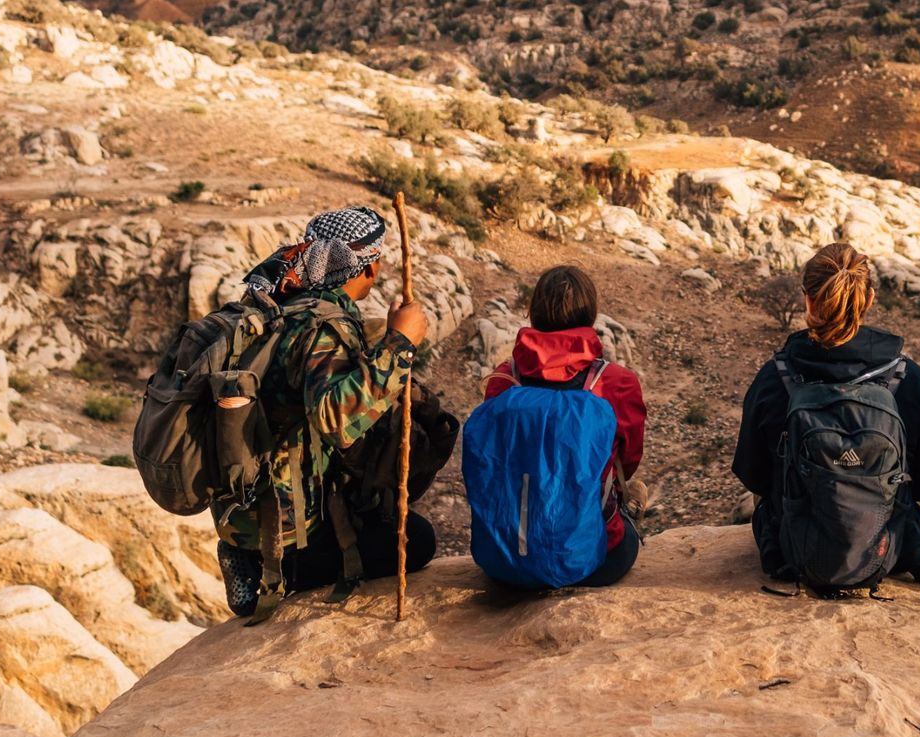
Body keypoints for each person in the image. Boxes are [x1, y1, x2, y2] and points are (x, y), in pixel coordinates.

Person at [215, 206, 434, 619]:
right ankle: (274, 571)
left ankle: (243, 549)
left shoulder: (282, 303)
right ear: (368, 268)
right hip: (285, 527)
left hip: (246, 502)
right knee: (418, 541)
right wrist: (400, 344)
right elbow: (335, 420)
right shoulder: (325, 327)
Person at [732, 243, 920, 586]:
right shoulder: (908, 379)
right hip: (883, 551)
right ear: (870, 300)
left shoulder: (775, 378)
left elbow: (753, 476)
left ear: (808, 301)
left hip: (795, 552)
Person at [477, 264, 647, 586]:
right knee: (624, 518)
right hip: (596, 561)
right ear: (590, 315)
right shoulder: (614, 382)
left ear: (533, 313)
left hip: (506, 561)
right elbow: (629, 459)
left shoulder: (503, 380)